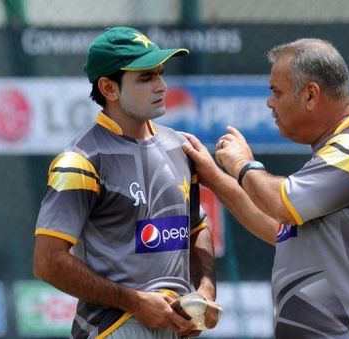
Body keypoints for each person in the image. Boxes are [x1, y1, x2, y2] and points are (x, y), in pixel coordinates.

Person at [182, 38, 349, 338]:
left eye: (276, 92)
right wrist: (214, 176)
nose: (269, 103)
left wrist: (243, 164)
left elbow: (283, 202)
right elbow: (279, 228)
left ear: (310, 95)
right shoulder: (334, 153)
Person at [32, 26, 217, 339]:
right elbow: (47, 263)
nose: (162, 86)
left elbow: (197, 229)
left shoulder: (180, 146)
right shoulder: (81, 160)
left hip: (175, 329)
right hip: (111, 329)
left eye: (161, 73)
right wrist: (134, 301)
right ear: (109, 88)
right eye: (146, 77)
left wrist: (205, 292)